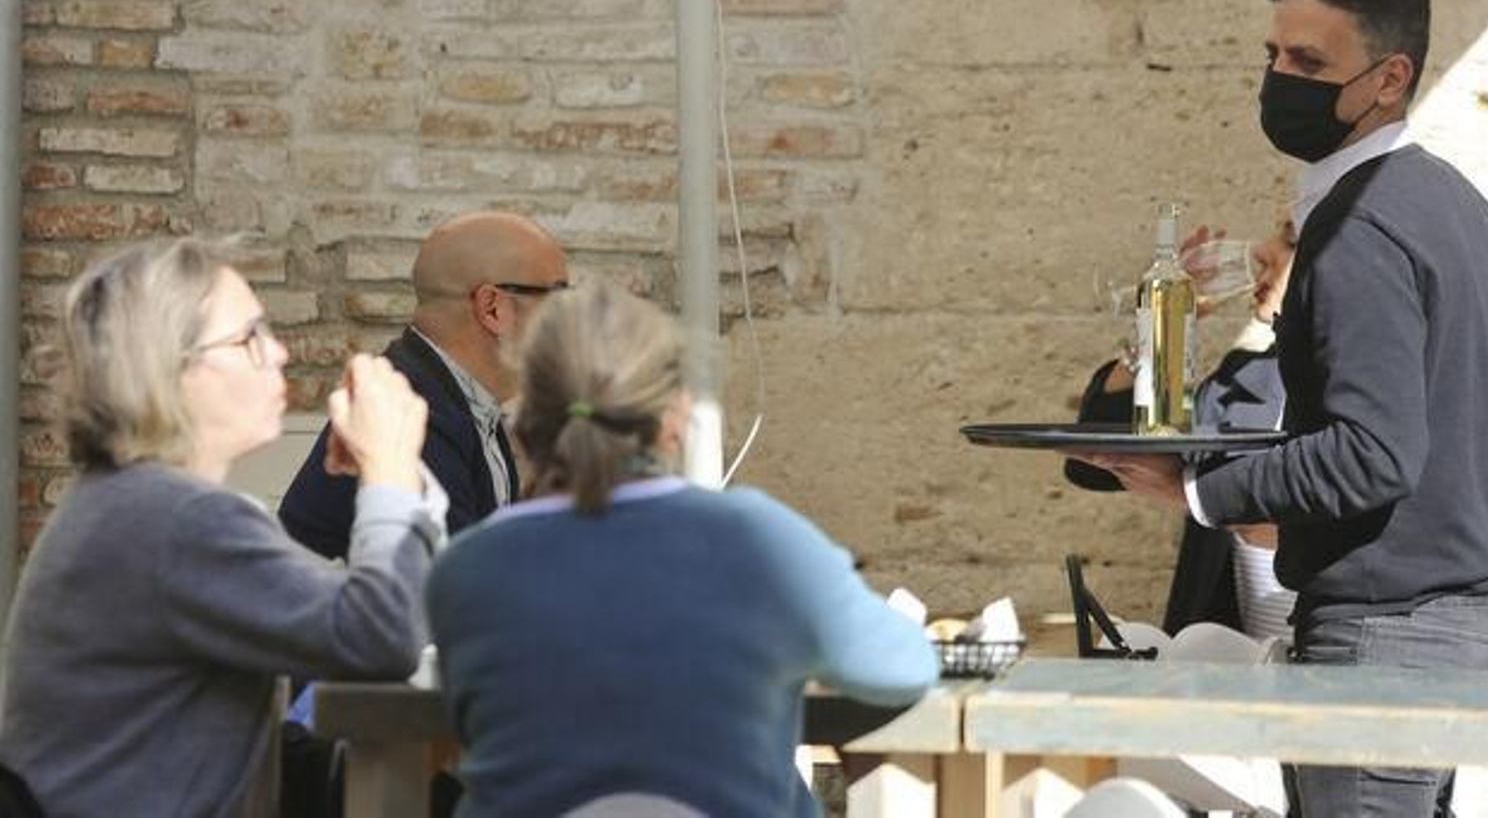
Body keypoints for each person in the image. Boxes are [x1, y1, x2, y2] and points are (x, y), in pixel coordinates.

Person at [1085, 0, 1488, 817]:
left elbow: (1373, 454)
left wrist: (1200, 488)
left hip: (1381, 640)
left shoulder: (1360, 227)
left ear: (1389, 78)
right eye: (1273, 56)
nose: (1279, 79)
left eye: (1309, 63)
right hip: (1445, 633)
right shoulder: (1451, 203)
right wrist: (1474, 589)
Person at [426, 284, 939, 817]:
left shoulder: (467, 569)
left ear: (525, 417)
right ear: (676, 416)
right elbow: (899, 667)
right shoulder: (759, 540)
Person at [0, 239, 444, 816]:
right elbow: (382, 635)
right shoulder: (174, 518)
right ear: (170, 368)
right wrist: (388, 466)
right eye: (250, 338)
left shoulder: (134, 504)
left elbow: (375, 613)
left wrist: (397, 474)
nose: (281, 353)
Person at [280, 210, 568, 559]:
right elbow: (461, 592)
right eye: (557, 298)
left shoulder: (460, 401)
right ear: (493, 308)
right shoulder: (412, 416)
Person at [1068, 221, 1297, 642]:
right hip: (1233, 670)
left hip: (1349, 667)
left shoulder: (1390, 387)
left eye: (1292, 241)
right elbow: (1098, 462)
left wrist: (1210, 503)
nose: (1263, 249)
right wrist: (1161, 330)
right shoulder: (1251, 373)